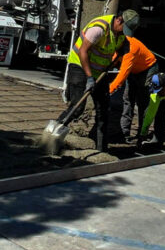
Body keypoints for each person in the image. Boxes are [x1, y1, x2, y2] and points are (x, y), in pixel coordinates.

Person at [56, 9, 139, 152]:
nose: (123, 33)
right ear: (118, 20)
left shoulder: (121, 34)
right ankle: (54, 133)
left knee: (104, 110)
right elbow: (83, 52)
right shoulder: (99, 29)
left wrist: (123, 50)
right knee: (77, 107)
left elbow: (120, 46)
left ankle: (101, 149)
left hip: (99, 72)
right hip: (80, 66)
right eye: (123, 28)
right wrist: (89, 78)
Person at [108, 35, 159, 141]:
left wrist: (109, 90)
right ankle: (124, 132)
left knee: (142, 102)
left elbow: (122, 74)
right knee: (128, 99)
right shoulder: (117, 42)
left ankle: (142, 134)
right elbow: (112, 59)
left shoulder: (131, 49)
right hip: (134, 70)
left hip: (148, 68)